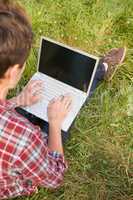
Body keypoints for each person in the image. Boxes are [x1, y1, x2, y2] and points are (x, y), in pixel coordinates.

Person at [0, 0, 126, 199]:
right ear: (13, 72)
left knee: (38, 105)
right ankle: (101, 70)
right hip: (19, 171)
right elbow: (54, 176)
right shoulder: (24, 140)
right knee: (66, 104)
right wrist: (55, 123)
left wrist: (16, 101)